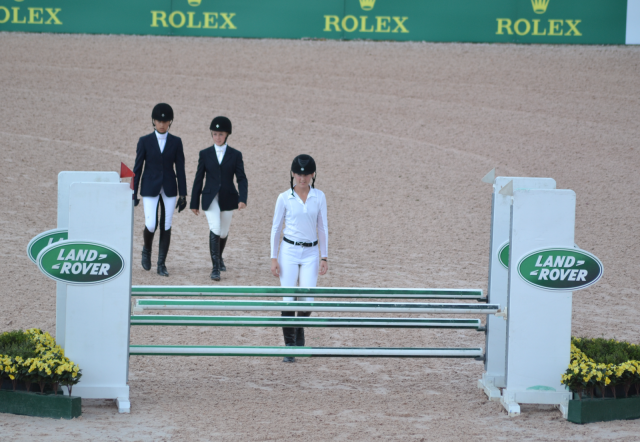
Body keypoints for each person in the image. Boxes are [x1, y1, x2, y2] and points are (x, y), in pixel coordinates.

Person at [270, 154, 328, 363]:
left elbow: (322, 227)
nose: (302, 178)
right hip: (288, 252)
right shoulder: (284, 197)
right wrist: (273, 257)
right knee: (287, 299)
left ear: (313, 175)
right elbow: (276, 228)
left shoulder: (319, 196)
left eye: (306, 174)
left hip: (311, 253)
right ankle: (289, 346)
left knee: (307, 301)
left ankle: (299, 327)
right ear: (293, 174)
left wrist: (324, 256)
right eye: (299, 174)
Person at [190, 116, 248, 281]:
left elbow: (241, 178)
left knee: (223, 232)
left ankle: (219, 257)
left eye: (220, 134)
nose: (217, 137)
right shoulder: (205, 154)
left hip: (228, 197)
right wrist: (194, 202)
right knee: (215, 228)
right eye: (215, 134)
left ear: (227, 134)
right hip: (210, 197)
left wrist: (242, 198)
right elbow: (198, 178)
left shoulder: (236, 155)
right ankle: (215, 268)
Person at [133, 103, 187, 277]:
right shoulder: (144, 141)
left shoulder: (176, 142)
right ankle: (147, 249)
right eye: (158, 121)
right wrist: (134, 193)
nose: (162, 124)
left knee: (166, 224)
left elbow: (180, 168)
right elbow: (138, 168)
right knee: (151, 224)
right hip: (150, 186)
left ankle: (161, 264)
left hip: (170, 187)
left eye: (165, 121)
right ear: (153, 121)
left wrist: (183, 193)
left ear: (170, 122)